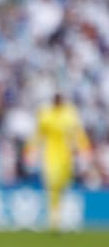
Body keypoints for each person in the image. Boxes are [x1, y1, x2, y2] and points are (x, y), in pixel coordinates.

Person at [26, 92, 92, 231]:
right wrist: (31, 151)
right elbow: (37, 135)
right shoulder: (46, 115)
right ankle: (54, 219)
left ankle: (60, 214)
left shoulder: (70, 114)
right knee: (52, 185)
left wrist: (84, 150)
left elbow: (79, 134)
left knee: (63, 185)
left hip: (67, 156)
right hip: (50, 155)